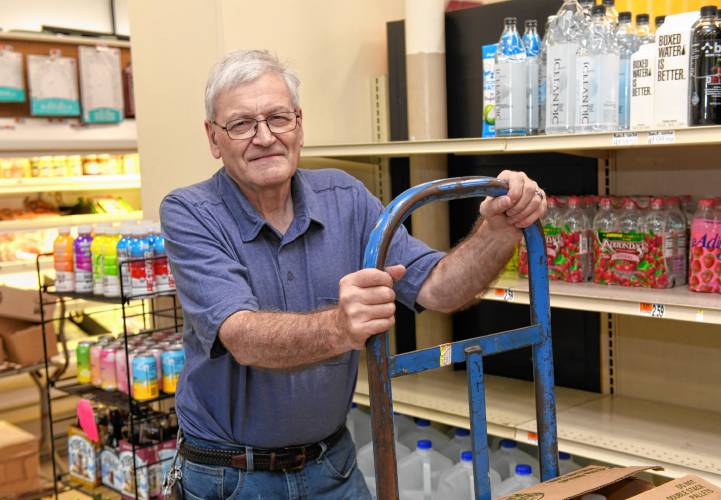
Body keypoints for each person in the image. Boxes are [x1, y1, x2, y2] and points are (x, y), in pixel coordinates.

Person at [160, 49, 546, 499]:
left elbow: (439, 288)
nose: (264, 137)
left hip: (332, 467)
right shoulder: (190, 213)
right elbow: (241, 336)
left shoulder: (345, 197)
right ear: (213, 137)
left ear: (299, 124)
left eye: (278, 118)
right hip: (232, 477)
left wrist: (498, 231)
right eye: (242, 124)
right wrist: (341, 327)